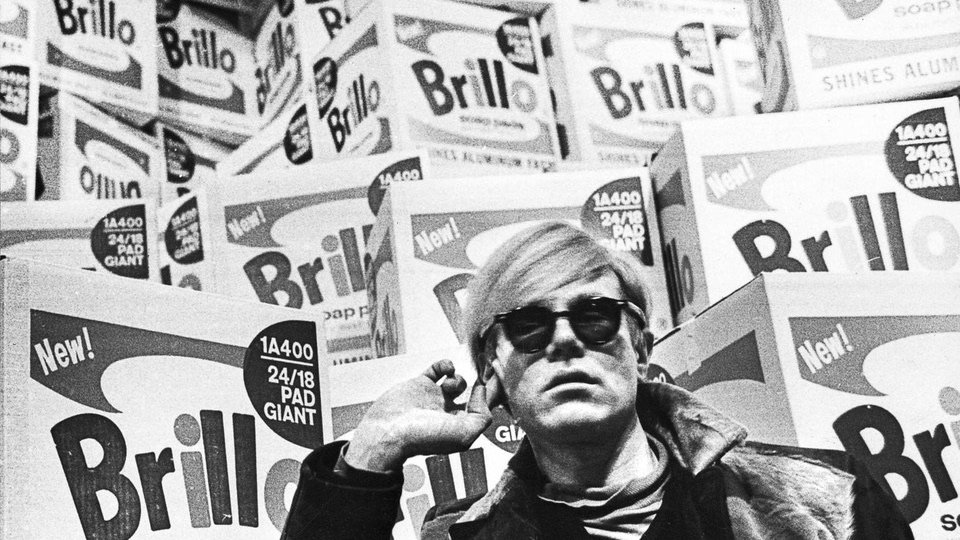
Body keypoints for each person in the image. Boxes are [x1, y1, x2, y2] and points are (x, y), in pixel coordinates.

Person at [281, 221, 912, 539]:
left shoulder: (825, 504)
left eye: (594, 316)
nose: (564, 340)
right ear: (492, 373)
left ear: (641, 348)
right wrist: (374, 451)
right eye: (528, 325)